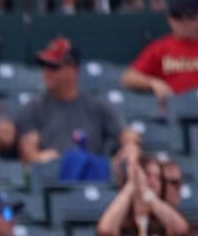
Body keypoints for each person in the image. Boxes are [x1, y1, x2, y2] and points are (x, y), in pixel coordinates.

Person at [17, 37, 133, 167]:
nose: (46, 72)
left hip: (91, 179)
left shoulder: (97, 106)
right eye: (44, 66)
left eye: (53, 67)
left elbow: (127, 134)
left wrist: (130, 146)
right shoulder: (33, 107)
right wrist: (40, 158)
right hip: (52, 180)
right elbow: (29, 153)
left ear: (73, 70)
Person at [123, 0, 198, 106]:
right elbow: (129, 78)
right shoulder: (160, 47)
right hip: (175, 109)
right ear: (169, 19)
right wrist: (153, 82)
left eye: (190, 16)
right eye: (177, 16)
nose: (184, 22)